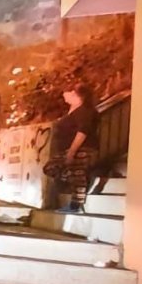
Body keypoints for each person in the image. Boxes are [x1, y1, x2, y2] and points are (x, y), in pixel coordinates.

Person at [44, 83, 99, 213]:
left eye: (66, 92)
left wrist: (72, 151)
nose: (63, 95)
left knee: (77, 174)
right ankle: (81, 185)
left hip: (81, 149)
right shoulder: (73, 111)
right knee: (51, 168)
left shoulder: (84, 111)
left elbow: (83, 131)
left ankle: (76, 206)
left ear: (74, 94)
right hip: (67, 148)